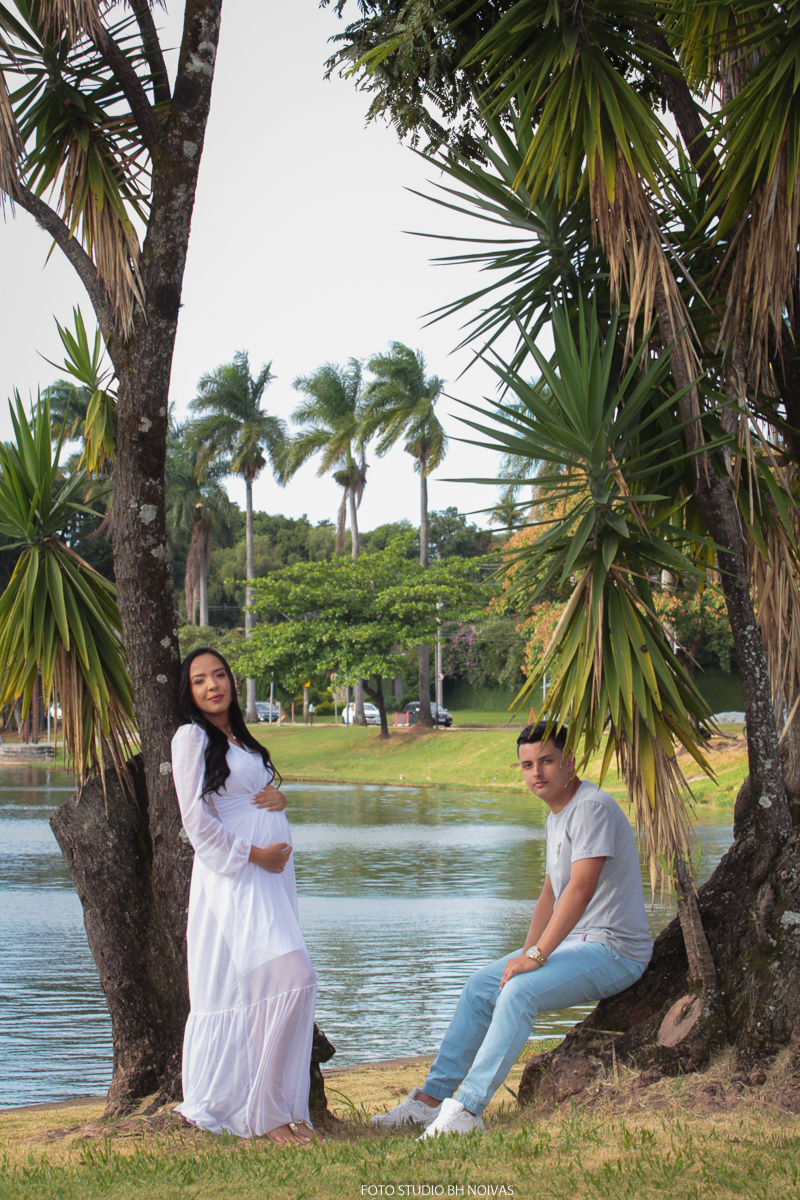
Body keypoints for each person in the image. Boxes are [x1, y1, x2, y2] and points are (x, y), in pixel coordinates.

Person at [371, 722, 653, 1138]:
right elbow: (549, 895)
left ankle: (467, 1112)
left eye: (547, 761)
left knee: (520, 993)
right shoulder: (557, 816)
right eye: (526, 765)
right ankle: (430, 1101)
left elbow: (580, 889)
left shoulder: (591, 807)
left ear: (569, 762)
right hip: (578, 944)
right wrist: (523, 957)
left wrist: (535, 959)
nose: (536, 773)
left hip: (616, 949)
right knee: (483, 986)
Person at [171, 647, 318, 1145]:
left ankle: (282, 1108)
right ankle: (267, 1115)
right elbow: (196, 820)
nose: (213, 685)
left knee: (274, 987)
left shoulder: (238, 736)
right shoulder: (190, 736)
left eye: (219, 675)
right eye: (199, 681)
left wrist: (279, 798)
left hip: (270, 880)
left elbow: (247, 794)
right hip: (235, 878)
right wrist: (255, 853)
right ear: (188, 692)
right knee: (292, 977)